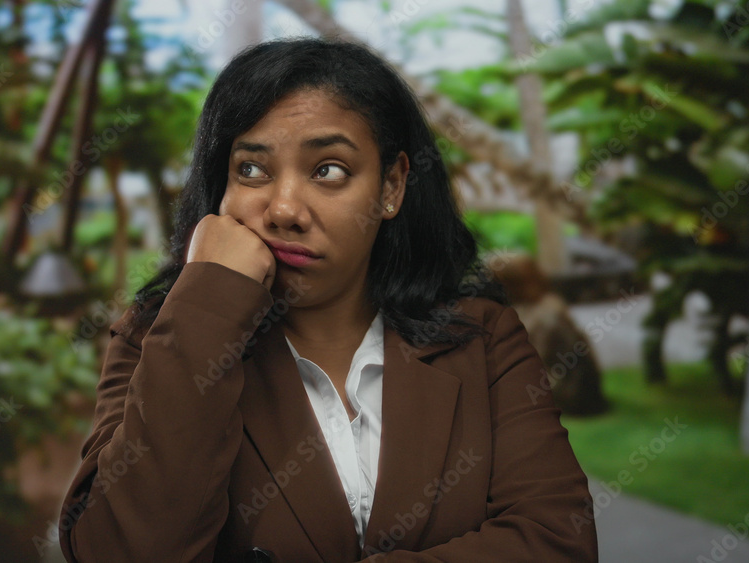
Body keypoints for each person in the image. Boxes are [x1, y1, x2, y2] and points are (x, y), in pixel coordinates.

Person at [58, 37, 598, 562]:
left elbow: (557, 541)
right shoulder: (155, 339)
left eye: (328, 171)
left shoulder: (483, 338)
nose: (284, 210)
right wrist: (208, 301)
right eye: (251, 169)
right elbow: (123, 551)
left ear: (391, 187)